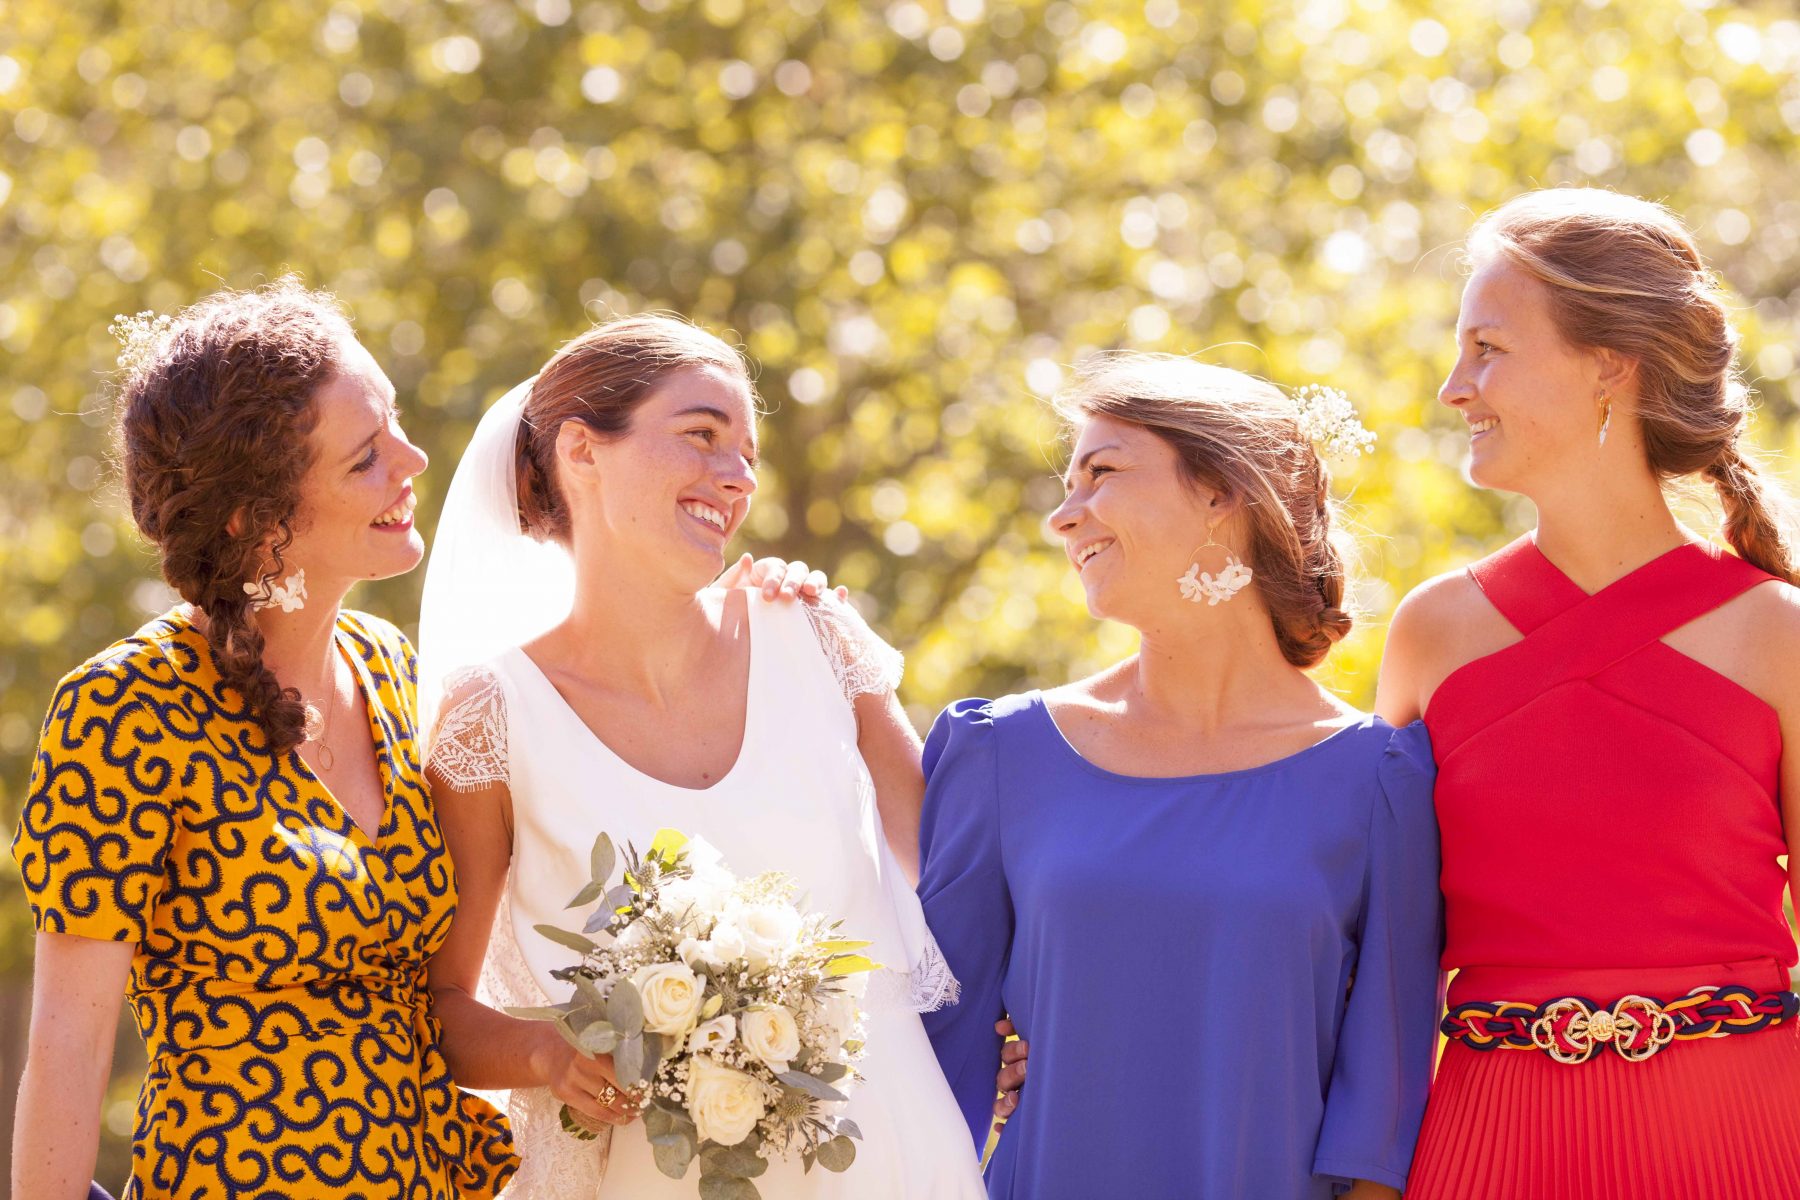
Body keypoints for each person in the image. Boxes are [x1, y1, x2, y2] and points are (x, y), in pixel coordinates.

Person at [417, 313, 986, 1198]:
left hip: (891, 1161)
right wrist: (546, 1052)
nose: (739, 477)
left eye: (748, 454)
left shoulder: (814, 637)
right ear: (583, 452)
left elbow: (961, 881)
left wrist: (1023, 1028)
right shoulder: (493, 718)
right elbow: (439, 1007)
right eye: (702, 435)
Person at [10, 280, 518, 1199]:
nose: (413, 460)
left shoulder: (392, 668)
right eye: (365, 458)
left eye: (396, 424)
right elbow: (68, 1049)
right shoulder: (124, 709)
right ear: (258, 520)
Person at [916, 354, 1442, 1199]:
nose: (1063, 516)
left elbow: (1381, 1119)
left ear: (1221, 492)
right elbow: (928, 1060)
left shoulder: (1378, 781)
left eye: (1101, 473)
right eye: (1067, 484)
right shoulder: (1000, 755)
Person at [1379, 188, 1800, 1198]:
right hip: (1487, 1147)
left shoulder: (1777, 635)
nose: (1454, 389)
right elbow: (1364, 954)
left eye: (1487, 349)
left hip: (1740, 1145)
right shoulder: (1431, 634)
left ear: (1610, 364)